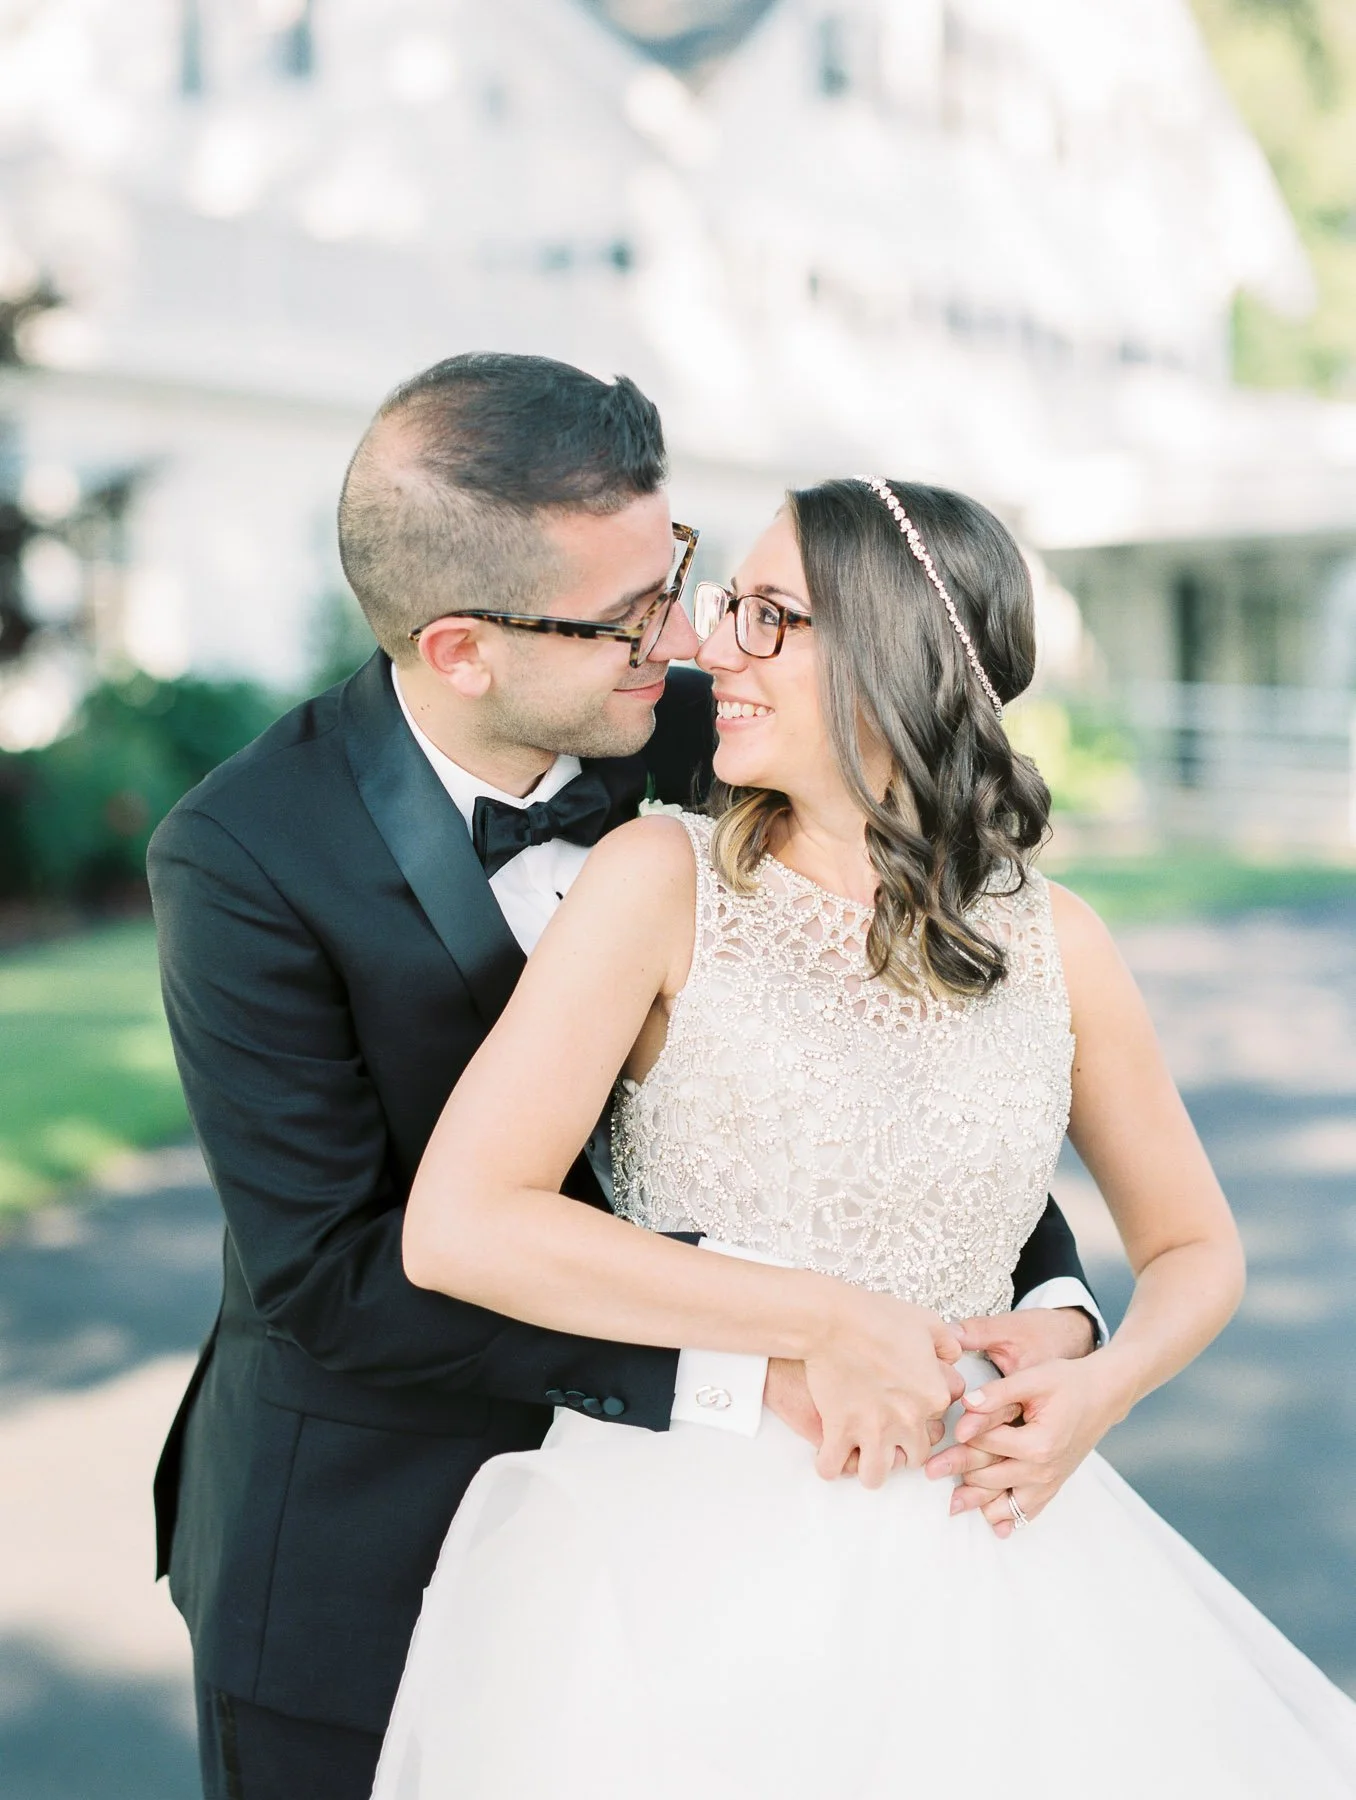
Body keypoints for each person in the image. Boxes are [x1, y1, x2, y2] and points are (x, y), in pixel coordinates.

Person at [146, 355, 1100, 1800]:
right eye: (626, 620)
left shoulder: (716, 724)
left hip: (738, 1559)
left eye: (677, 575)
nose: (688, 639)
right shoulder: (241, 858)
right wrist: (757, 1357)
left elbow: (910, 1022)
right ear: (462, 647)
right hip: (360, 1551)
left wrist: (1043, 1295)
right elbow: (335, 1276)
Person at [375, 474, 1356, 1798]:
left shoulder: (1059, 944)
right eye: (731, 602)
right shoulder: (657, 885)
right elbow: (463, 1224)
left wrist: (1096, 1389)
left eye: (771, 614)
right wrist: (819, 1316)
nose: (712, 644)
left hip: (988, 1558)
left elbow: (1194, 1248)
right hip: (678, 1556)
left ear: (896, 655)